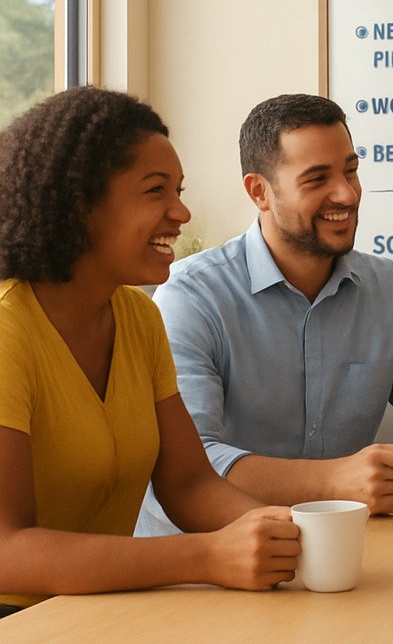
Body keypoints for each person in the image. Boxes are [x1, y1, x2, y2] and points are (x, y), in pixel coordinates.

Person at [0, 87, 299, 616]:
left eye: (178, 190)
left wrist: (286, 531)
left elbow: (187, 484)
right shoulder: (7, 330)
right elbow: (7, 550)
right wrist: (206, 556)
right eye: (155, 190)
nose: (180, 212)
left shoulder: (139, 318)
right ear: (79, 202)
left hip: (96, 613)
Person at [137, 93, 393, 535]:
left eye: (351, 170)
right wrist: (332, 482)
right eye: (317, 178)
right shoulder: (190, 296)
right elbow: (194, 462)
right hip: (203, 562)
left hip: (345, 551)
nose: (346, 192)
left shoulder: (392, 288)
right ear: (259, 192)